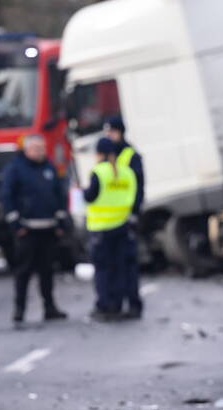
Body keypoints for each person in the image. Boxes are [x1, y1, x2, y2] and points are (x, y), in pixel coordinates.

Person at [0, 133, 69, 323]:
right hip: (27, 229)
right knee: (23, 272)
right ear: (27, 149)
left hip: (48, 227)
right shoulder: (16, 169)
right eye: (36, 149)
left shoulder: (49, 168)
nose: (40, 152)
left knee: (47, 271)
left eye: (42, 148)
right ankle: (19, 309)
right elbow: (7, 197)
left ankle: (50, 307)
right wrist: (16, 223)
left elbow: (59, 195)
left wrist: (61, 221)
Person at [84, 136, 138, 321]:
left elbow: (90, 196)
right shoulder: (126, 172)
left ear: (99, 154)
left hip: (101, 228)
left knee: (103, 270)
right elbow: (133, 197)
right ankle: (129, 303)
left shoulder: (99, 173)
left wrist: (80, 192)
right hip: (123, 226)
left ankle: (107, 306)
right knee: (123, 267)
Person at [104, 115, 144, 318]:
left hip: (126, 219)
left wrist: (134, 214)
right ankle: (117, 304)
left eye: (111, 131)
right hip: (110, 221)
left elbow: (138, 188)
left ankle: (134, 304)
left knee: (127, 264)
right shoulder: (109, 157)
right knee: (114, 265)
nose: (109, 135)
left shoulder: (130, 156)